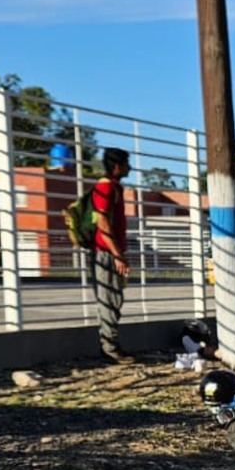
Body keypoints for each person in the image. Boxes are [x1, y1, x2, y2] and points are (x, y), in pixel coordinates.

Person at [92, 147, 133, 363]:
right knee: (110, 299)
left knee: (114, 298)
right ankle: (109, 349)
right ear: (117, 166)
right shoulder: (106, 188)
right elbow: (103, 221)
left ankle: (111, 346)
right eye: (127, 163)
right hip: (107, 253)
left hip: (111, 252)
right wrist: (117, 255)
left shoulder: (114, 187)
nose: (130, 168)